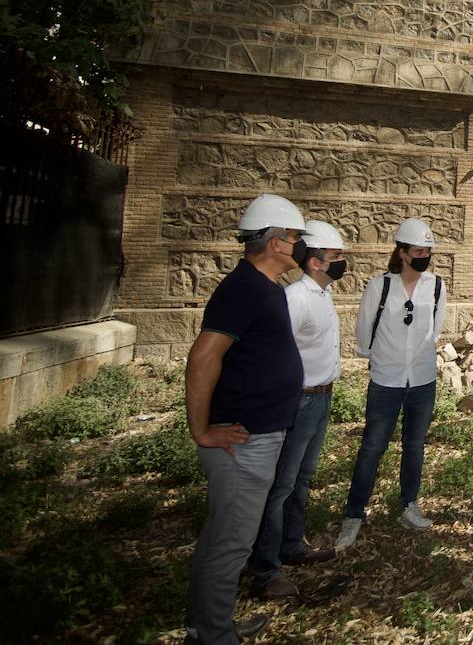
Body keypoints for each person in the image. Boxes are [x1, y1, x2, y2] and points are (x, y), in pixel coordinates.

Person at [184, 194, 309, 643]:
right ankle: (214, 637)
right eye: (295, 237)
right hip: (242, 440)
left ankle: (209, 626)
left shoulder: (261, 288)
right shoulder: (244, 289)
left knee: (224, 537)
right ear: (276, 243)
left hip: (258, 435)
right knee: (231, 543)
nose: (300, 246)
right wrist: (200, 430)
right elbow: (203, 358)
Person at [246, 219, 347, 599]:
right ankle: (265, 568)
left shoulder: (322, 294)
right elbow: (273, 353)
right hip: (300, 398)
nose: (341, 263)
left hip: (321, 397)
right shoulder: (297, 298)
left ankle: (292, 545)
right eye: (336, 257)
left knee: (301, 477)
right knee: (281, 484)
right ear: (316, 262)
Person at [335, 217, 446, 549]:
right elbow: (364, 329)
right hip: (386, 380)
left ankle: (409, 505)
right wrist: (380, 357)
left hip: (423, 380)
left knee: (414, 446)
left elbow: (435, 331)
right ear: (401, 252)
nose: (424, 256)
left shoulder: (437, 286)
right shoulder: (379, 286)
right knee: (372, 447)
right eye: (417, 250)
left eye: (428, 250)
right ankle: (354, 514)